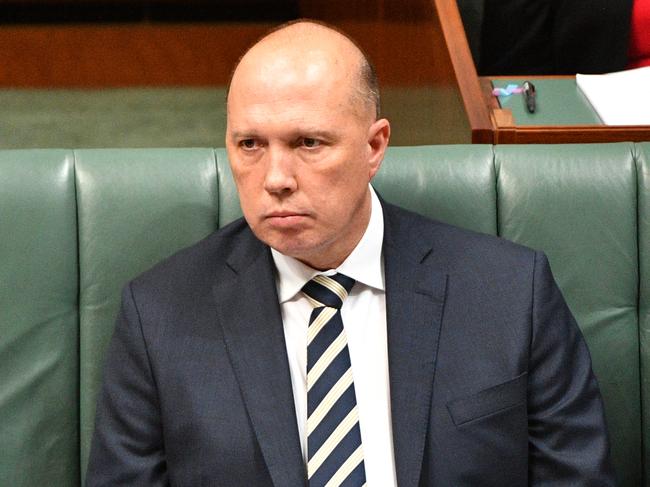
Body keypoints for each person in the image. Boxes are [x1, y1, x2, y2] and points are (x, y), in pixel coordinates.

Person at [86, 20, 615, 486]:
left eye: (309, 143)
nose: (274, 179)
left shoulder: (510, 293)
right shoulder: (159, 315)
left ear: (374, 147)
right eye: (250, 145)